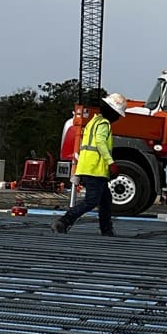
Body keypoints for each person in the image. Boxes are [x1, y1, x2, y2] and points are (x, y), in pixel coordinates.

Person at [53, 92, 127, 236]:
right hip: (95, 169)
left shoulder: (93, 122)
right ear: (112, 112)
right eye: (117, 114)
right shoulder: (104, 124)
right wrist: (111, 162)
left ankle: (107, 230)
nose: (118, 118)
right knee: (91, 201)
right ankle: (63, 221)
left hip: (87, 167)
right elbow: (100, 142)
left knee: (105, 200)